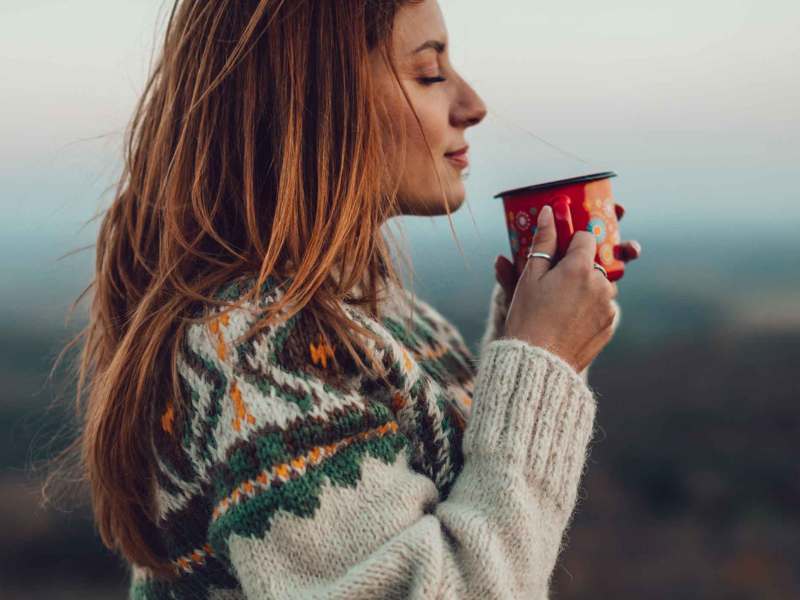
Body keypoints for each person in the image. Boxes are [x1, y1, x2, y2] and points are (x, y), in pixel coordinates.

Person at [50, 1, 642, 598]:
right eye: (430, 73)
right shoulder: (253, 350)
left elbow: (460, 513)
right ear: (311, 102)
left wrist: (527, 337)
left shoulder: (381, 314)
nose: (473, 105)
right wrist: (543, 363)